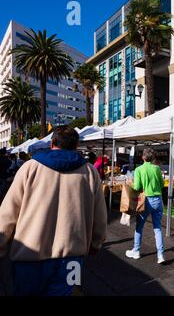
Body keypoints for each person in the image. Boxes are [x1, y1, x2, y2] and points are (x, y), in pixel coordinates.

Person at [0, 126, 107, 296]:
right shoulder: (89, 171)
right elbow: (100, 215)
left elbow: (8, 212)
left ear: (52, 143)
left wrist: (2, 245)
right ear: (76, 145)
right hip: (72, 258)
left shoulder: (30, 167)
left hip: (29, 257)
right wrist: (96, 243)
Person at [125, 148, 165, 264]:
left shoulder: (139, 169)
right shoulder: (157, 168)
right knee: (157, 228)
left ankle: (136, 251)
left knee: (139, 227)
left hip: (145, 200)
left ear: (143, 157)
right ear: (153, 158)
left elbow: (137, 187)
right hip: (158, 199)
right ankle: (160, 255)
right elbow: (162, 184)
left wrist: (130, 183)